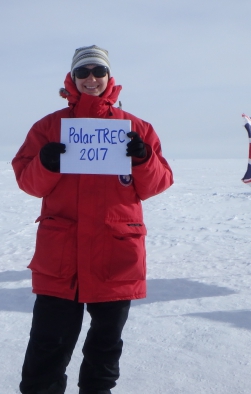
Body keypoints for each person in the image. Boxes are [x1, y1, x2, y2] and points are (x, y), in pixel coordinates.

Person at [12, 45, 173, 394]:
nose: (90, 79)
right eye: (82, 72)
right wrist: (46, 162)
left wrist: (143, 159)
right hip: (61, 260)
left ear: (109, 77)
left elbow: (159, 183)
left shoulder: (136, 128)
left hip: (115, 256)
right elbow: (27, 181)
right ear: (72, 78)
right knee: (47, 348)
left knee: (104, 349)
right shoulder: (48, 127)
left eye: (98, 71)